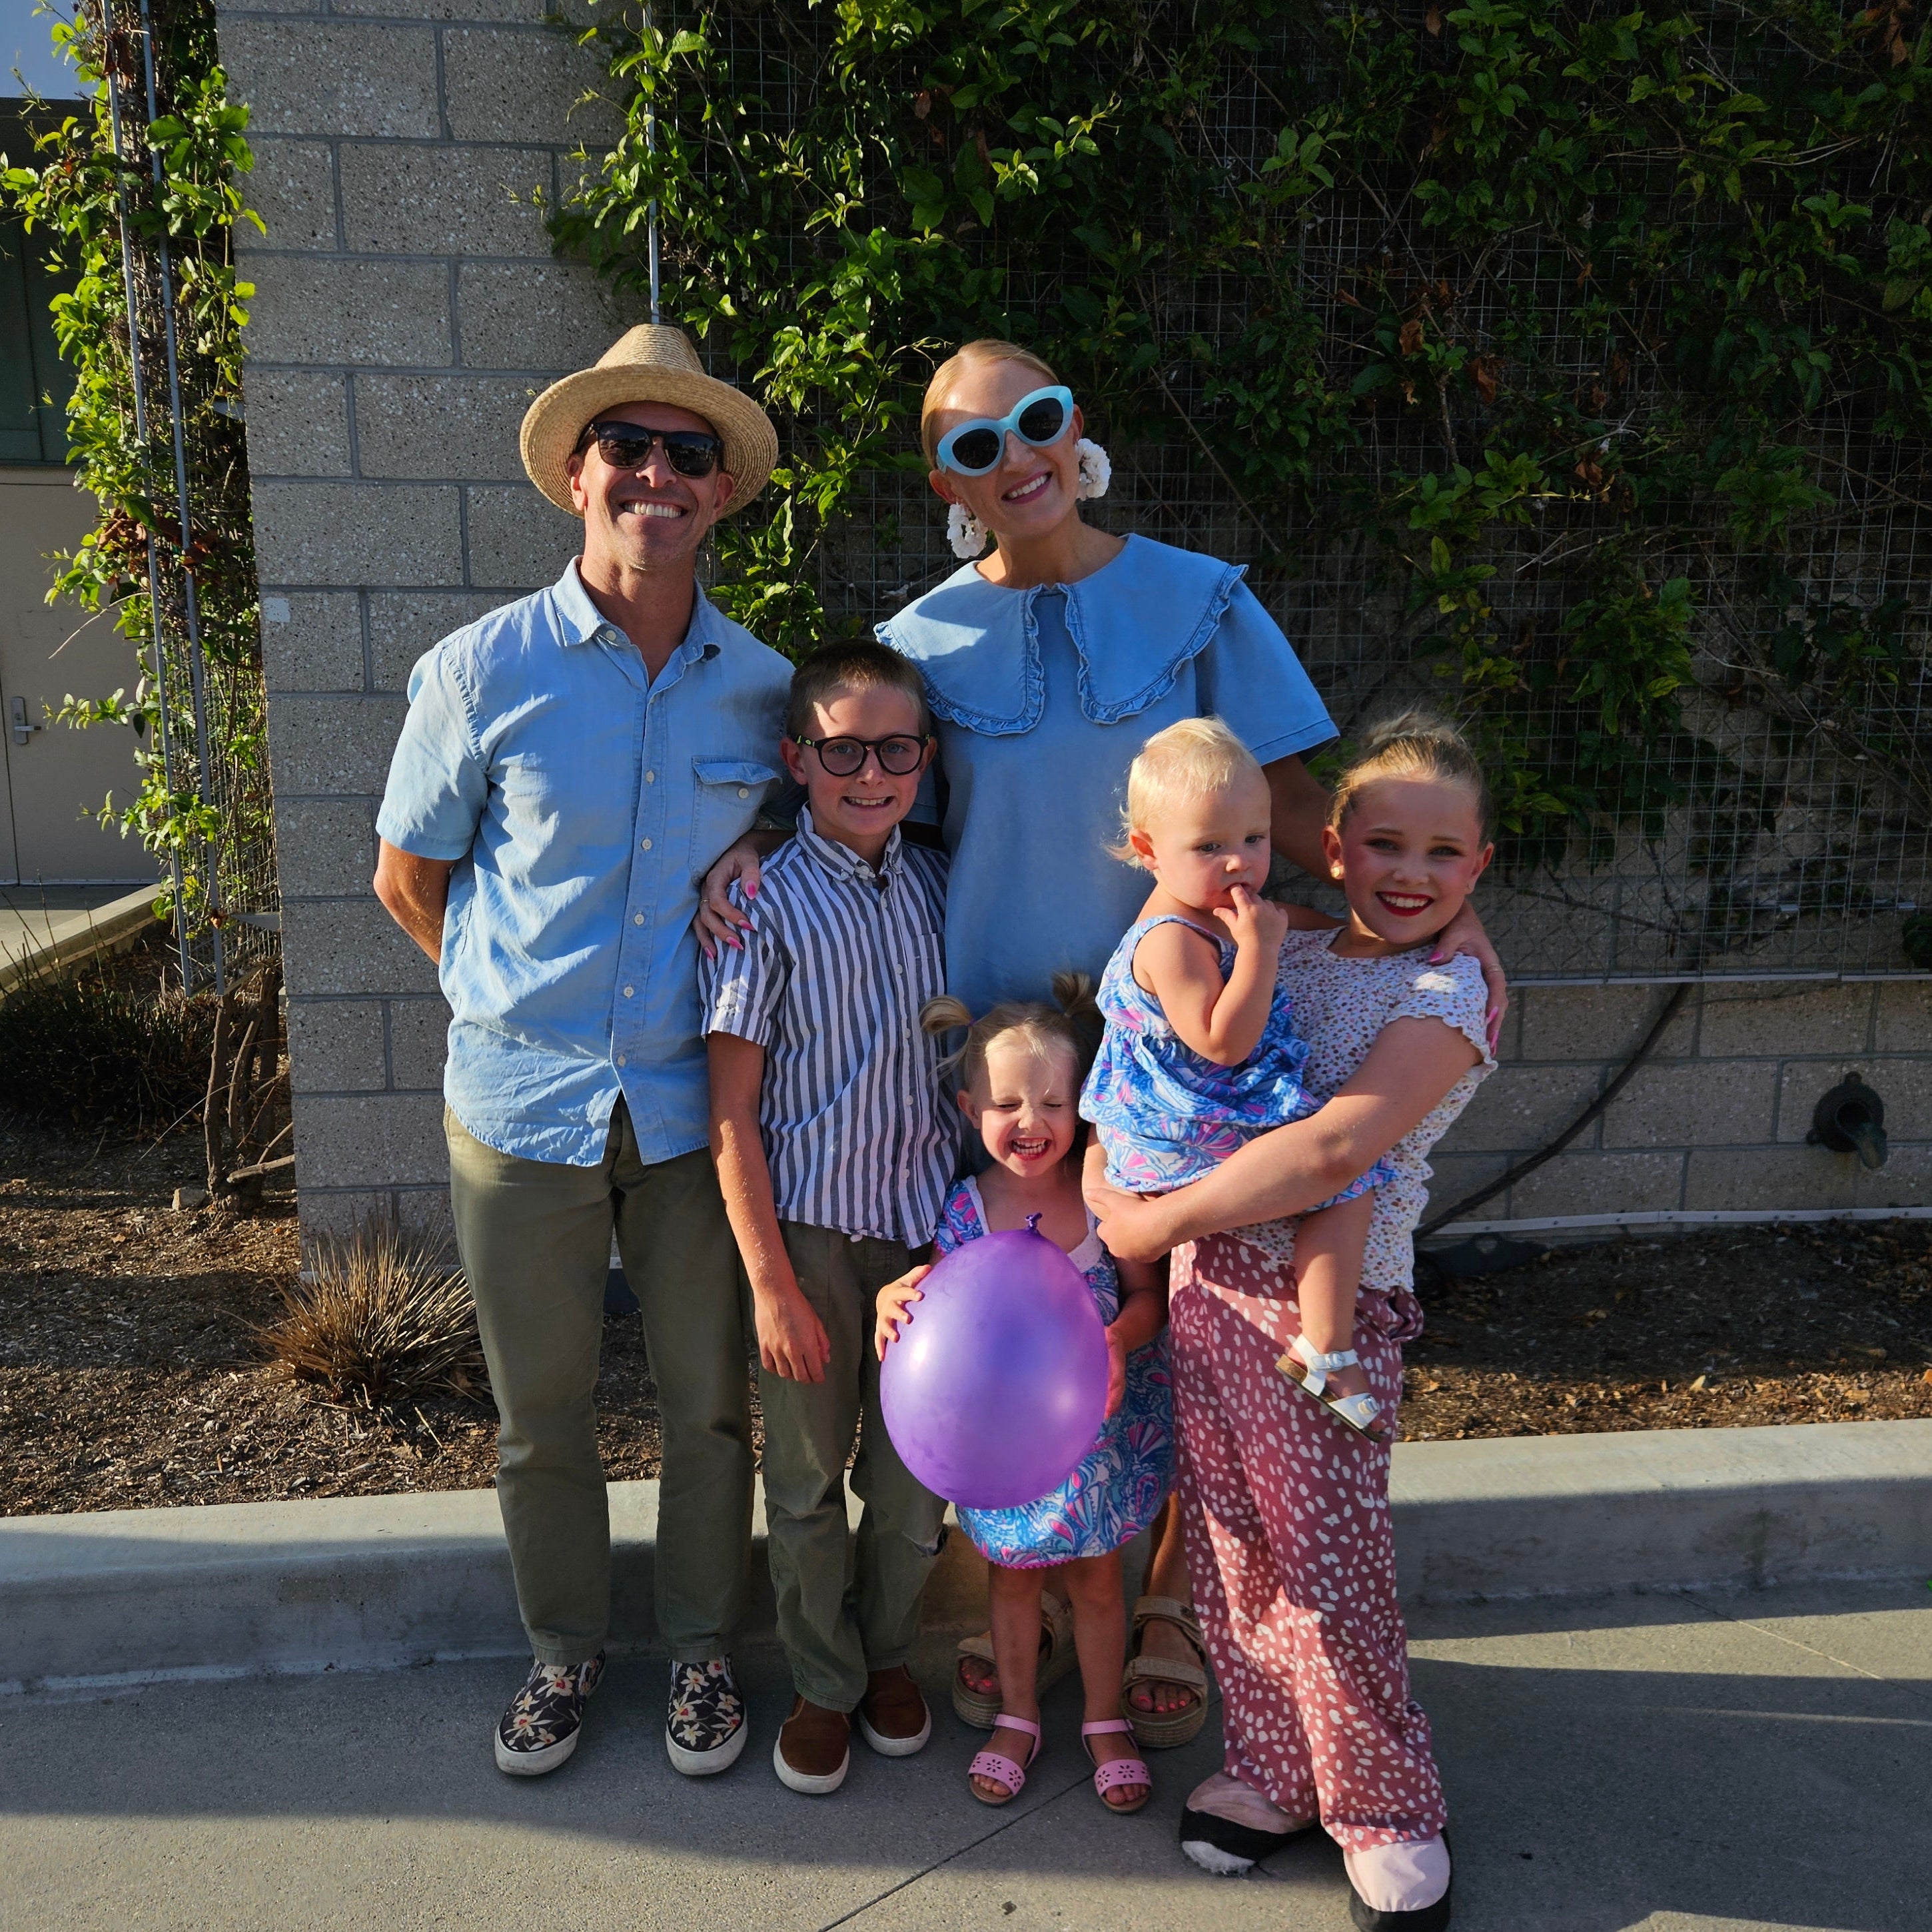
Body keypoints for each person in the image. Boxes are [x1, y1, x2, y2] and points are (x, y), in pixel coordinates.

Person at [700, 335, 1506, 1747]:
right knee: (1025, 1313)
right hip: (1011, 1051)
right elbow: (867, 776)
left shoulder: (1196, 602)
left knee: (1188, 1327)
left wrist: (1435, 912)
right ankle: (1002, 1583)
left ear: (1079, 426)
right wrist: (752, 849)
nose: (1014, 457)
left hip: (1184, 1029)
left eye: (1037, 420)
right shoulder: (928, 637)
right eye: (971, 443)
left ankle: (1172, 1607)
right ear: (943, 477)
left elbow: (1302, 793)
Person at [372, 324, 789, 1781]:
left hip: (691, 1115)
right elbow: (406, 878)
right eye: (629, 445)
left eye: (690, 452)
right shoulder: (480, 671)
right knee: (539, 1416)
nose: (656, 474)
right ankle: (561, 1654)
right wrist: (503, 998)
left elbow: (788, 855)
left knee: (708, 1405)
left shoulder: (767, 692)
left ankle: (696, 1656)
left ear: (722, 491)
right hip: (519, 1105)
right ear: (573, 473)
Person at [1087, 714, 1498, 1932]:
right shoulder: (1291, 939)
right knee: (1231, 1555)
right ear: (1337, 848)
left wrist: (1145, 1226)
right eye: (1385, 844)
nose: (1411, 874)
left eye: (1442, 853)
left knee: (1330, 1570)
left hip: (1334, 1307)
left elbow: (1333, 1146)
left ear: (1481, 862)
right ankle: (1271, 1770)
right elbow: (1171, 1045)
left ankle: (1384, 1805)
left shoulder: (1451, 990)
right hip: (1217, 1300)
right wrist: (1128, 1183)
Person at [701, 641, 955, 1797]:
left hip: (925, 1239)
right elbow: (733, 1114)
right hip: (808, 1238)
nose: (870, 771)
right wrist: (770, 1286)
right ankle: (824, 1679)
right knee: (803, 1483)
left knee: (909, 1489)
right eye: (842, 749)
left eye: (893, 748)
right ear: (797, 759)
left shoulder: (945, 886)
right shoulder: (764, 902)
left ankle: (890, 1650)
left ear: (925, 757)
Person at [874, 982, 1170, 1813]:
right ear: (969, 1107)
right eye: (1006, 1102)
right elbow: (939, 1310)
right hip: (1001, 1445)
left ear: (1082, 1107)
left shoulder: (1103, 1195)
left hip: (1097, 1433)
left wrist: (1115, 1338)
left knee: (1098, 1582)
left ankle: (1105, 1719)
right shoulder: (964, 1208)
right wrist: (888, 1300)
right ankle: (1018, 1712)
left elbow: (1148, 1297)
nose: (1029, 1120)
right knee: (1008, 1578)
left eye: (1051, 1100)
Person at [1083, 716, 1394, 1438]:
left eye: (1253, 839)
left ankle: (1324, 1339)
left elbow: (1309, 922)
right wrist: (1258, 951)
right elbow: (1222, 1042)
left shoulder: (1224, 913)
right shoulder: (1171, 937)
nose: (1237, 863)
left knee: (1335, 1169)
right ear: (1147, 851)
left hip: (1191, 1116)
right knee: (1340, 1173)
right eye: (1209, 846)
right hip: (1173, 1129)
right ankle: (1326, 1344)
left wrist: (1395, 938)